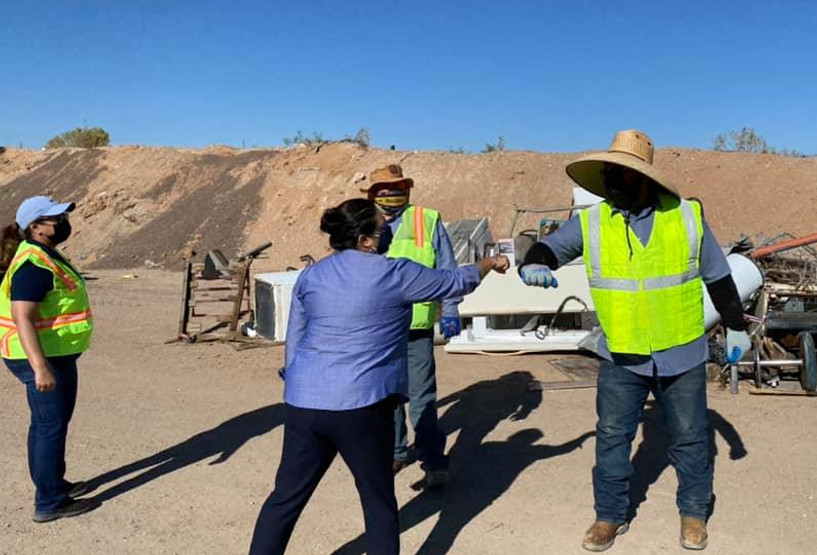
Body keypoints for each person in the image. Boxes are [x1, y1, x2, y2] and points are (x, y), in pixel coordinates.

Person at [518, 130, 752, 552]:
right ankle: (609, 516)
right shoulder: (591, 222)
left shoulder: (685, 216)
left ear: (645, 177)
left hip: (680, 352)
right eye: (609, 172)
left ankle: (694, 511)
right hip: (621, 354)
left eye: (621, 173)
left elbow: (718, 275)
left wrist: (736, 326)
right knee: (612, 437)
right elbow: (548, 249)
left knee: (691, 436)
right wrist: (532, 263)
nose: (613, 181)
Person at [249, 198, 509, 555]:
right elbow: (453, 281)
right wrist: (488, 263)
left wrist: (298, 386)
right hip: (363, 407)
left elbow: (295, 341)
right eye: (382, 227)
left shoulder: (311, 275)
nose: (388, 230)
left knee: (286, 498)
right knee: (378, 503)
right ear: (365, 240)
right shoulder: (395, 274)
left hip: (304, 404)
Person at [361, 163, 460, 486]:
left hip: (416, 327)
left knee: (422, 399)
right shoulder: (361, 222)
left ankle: (433, 462)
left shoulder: (426, 219)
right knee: (386, 397)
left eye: (397, 187)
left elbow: (448, 268)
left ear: (407, 188)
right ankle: (396, 452)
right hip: (378, 326)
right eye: (383, 189)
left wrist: (452, 309)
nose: (390, 193)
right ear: (373, 193)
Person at [0, 196, 97, 523]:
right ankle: (49, 502)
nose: (63, 223)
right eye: (55, 219)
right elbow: (22, 316)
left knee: (50, 425)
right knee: (49, 427)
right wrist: (40, 368)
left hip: (56, 355)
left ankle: (53, 483)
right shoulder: (32, 264)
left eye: (63, 216)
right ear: (35, 226)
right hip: (40, 358)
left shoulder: (45, 254)